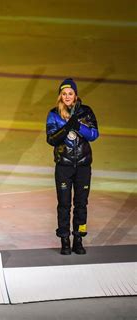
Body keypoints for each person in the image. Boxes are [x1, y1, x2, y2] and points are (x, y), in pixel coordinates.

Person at [46, 79, 99, 255]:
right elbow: (51, 139)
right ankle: (64, 240)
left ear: (75, 95)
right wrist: (66, 127)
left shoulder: (86, 111)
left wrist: (78, 126)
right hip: (64, 166)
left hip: (83, 166)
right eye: (64, 93)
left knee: (81, 204)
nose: (67, 96)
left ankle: (78, 238)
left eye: (70, 93)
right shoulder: (54, 114)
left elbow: (93, 134)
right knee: (64, 204)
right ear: (60, 96)